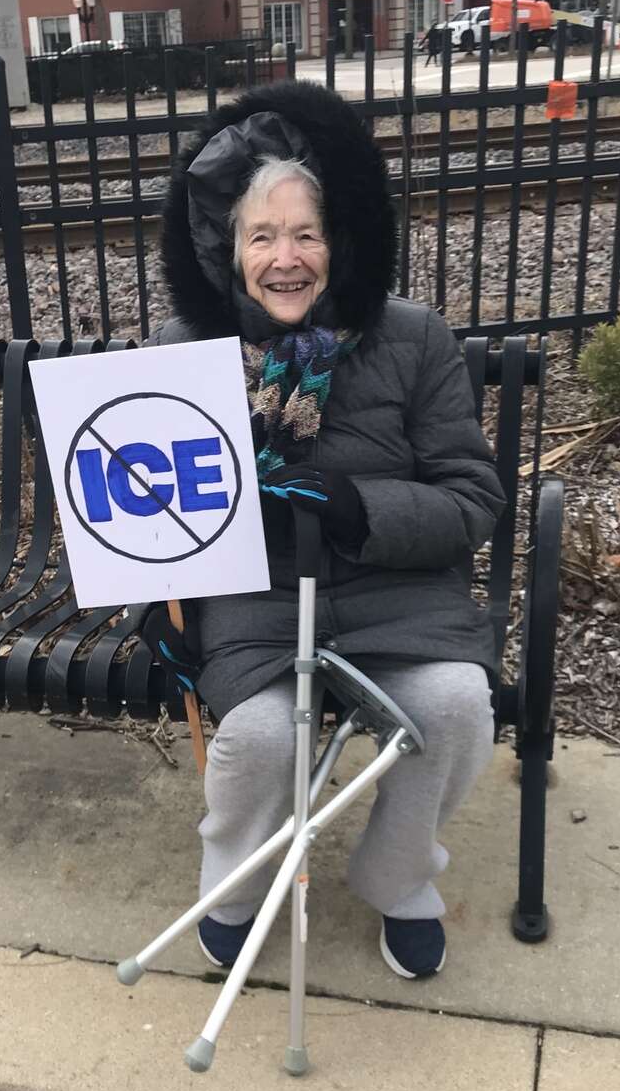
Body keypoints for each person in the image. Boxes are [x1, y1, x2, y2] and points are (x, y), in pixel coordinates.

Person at [140, 81, 504, 979]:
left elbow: (471, 498)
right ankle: (237, 882)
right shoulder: (182, 352)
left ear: (341, 242)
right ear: (228, 250)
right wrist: (155, 604)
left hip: (399, 598)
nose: (286, 258)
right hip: (259, 602)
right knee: (263, 737)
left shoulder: (414, 338)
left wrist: (359, 507)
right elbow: (141, 506)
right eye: (262, 236)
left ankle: (397, 876)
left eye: (307, 234)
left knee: (455, 706)